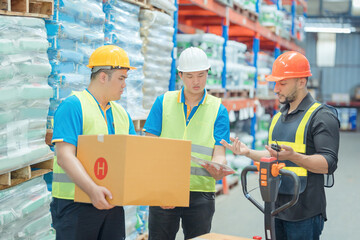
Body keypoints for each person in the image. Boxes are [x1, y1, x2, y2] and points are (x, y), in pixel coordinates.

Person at [221, 51, 339, 240]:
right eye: (275, 83)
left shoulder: (322, 116)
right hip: (275, 207)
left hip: (304, 212)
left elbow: (328, 163)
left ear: (301, 81)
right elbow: (274, 156)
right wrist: (248, 152)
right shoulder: (278, 118)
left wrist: (294, 157)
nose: (276, 89)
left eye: (282, 83)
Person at [144, 47, 232, 240]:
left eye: (201, 75)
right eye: (190, 76)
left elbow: (219, 151)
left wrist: (219, 167)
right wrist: (159, 187)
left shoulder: (218, 109)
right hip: (165, 188)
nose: (196, 81)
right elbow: (149, 148)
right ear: (180, 75)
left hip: (200, 192)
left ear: (208, 73)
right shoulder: (163, 102)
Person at [50, 45, 137, 240]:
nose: (124, 84)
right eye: (121, 78)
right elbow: (64, 157)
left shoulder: (122, 114)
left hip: (112, 204)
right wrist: (92, 190)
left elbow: (133, 157)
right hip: (75, 204)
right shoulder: (73, 106)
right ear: (103, 77)